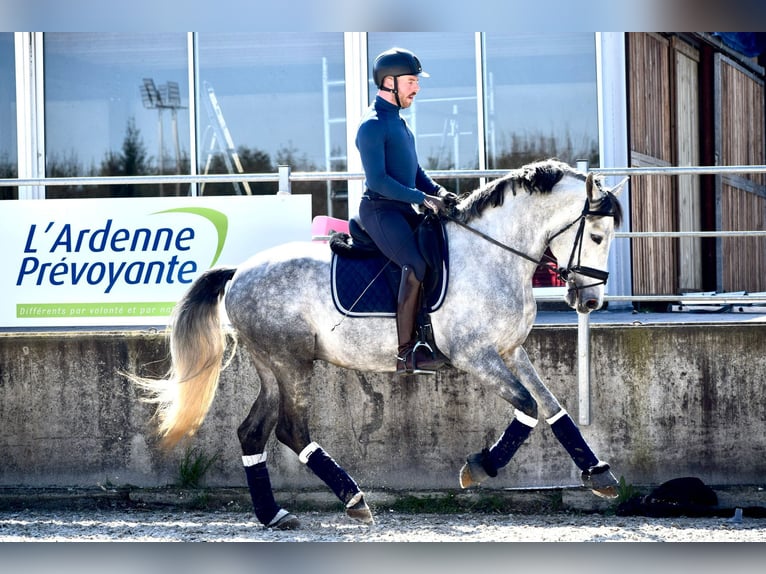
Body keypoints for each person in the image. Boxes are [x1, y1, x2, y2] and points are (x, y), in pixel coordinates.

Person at [355, 47, 457, 377]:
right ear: (389, 82)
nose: (417, 88)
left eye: (416, 82)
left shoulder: (399, 124)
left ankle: (432, 335)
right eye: (411, 81)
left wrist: (439, 192)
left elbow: (415, 172)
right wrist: (422, 199)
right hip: (380, 211)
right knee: (414, 264)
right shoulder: (371, 126)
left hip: (402, 208)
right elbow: (379, 181)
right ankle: (405, 353)